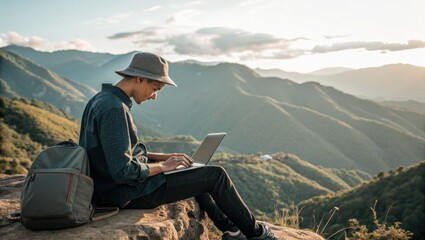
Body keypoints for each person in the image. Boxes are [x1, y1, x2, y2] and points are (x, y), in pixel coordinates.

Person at [79, 52, 279, 240]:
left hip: (111, 188)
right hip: (123, 193)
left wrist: (163, 158)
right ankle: (257, 233)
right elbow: (122, 171)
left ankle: (232, 229)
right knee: (216, 176)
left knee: (192, 171)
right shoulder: (114, 109)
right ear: (139, 79)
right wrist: (164, 167)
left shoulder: (101, 100)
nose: (154, 96)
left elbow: (118, 154)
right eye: (155, 89)